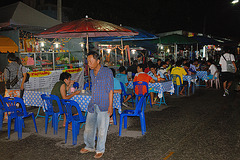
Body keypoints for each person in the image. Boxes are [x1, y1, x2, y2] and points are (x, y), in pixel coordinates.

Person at [80, 51, 114, 159]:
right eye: (87, 61)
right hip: (93, 103)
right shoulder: (91, 73)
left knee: (102, 129)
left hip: (104, 104)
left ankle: (100, 149)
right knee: (89, 128)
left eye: (91, 61)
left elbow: (110, 90)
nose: (88, 64)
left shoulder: (107, 72)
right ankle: (89, 146)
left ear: (98, 61)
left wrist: (110, 106)